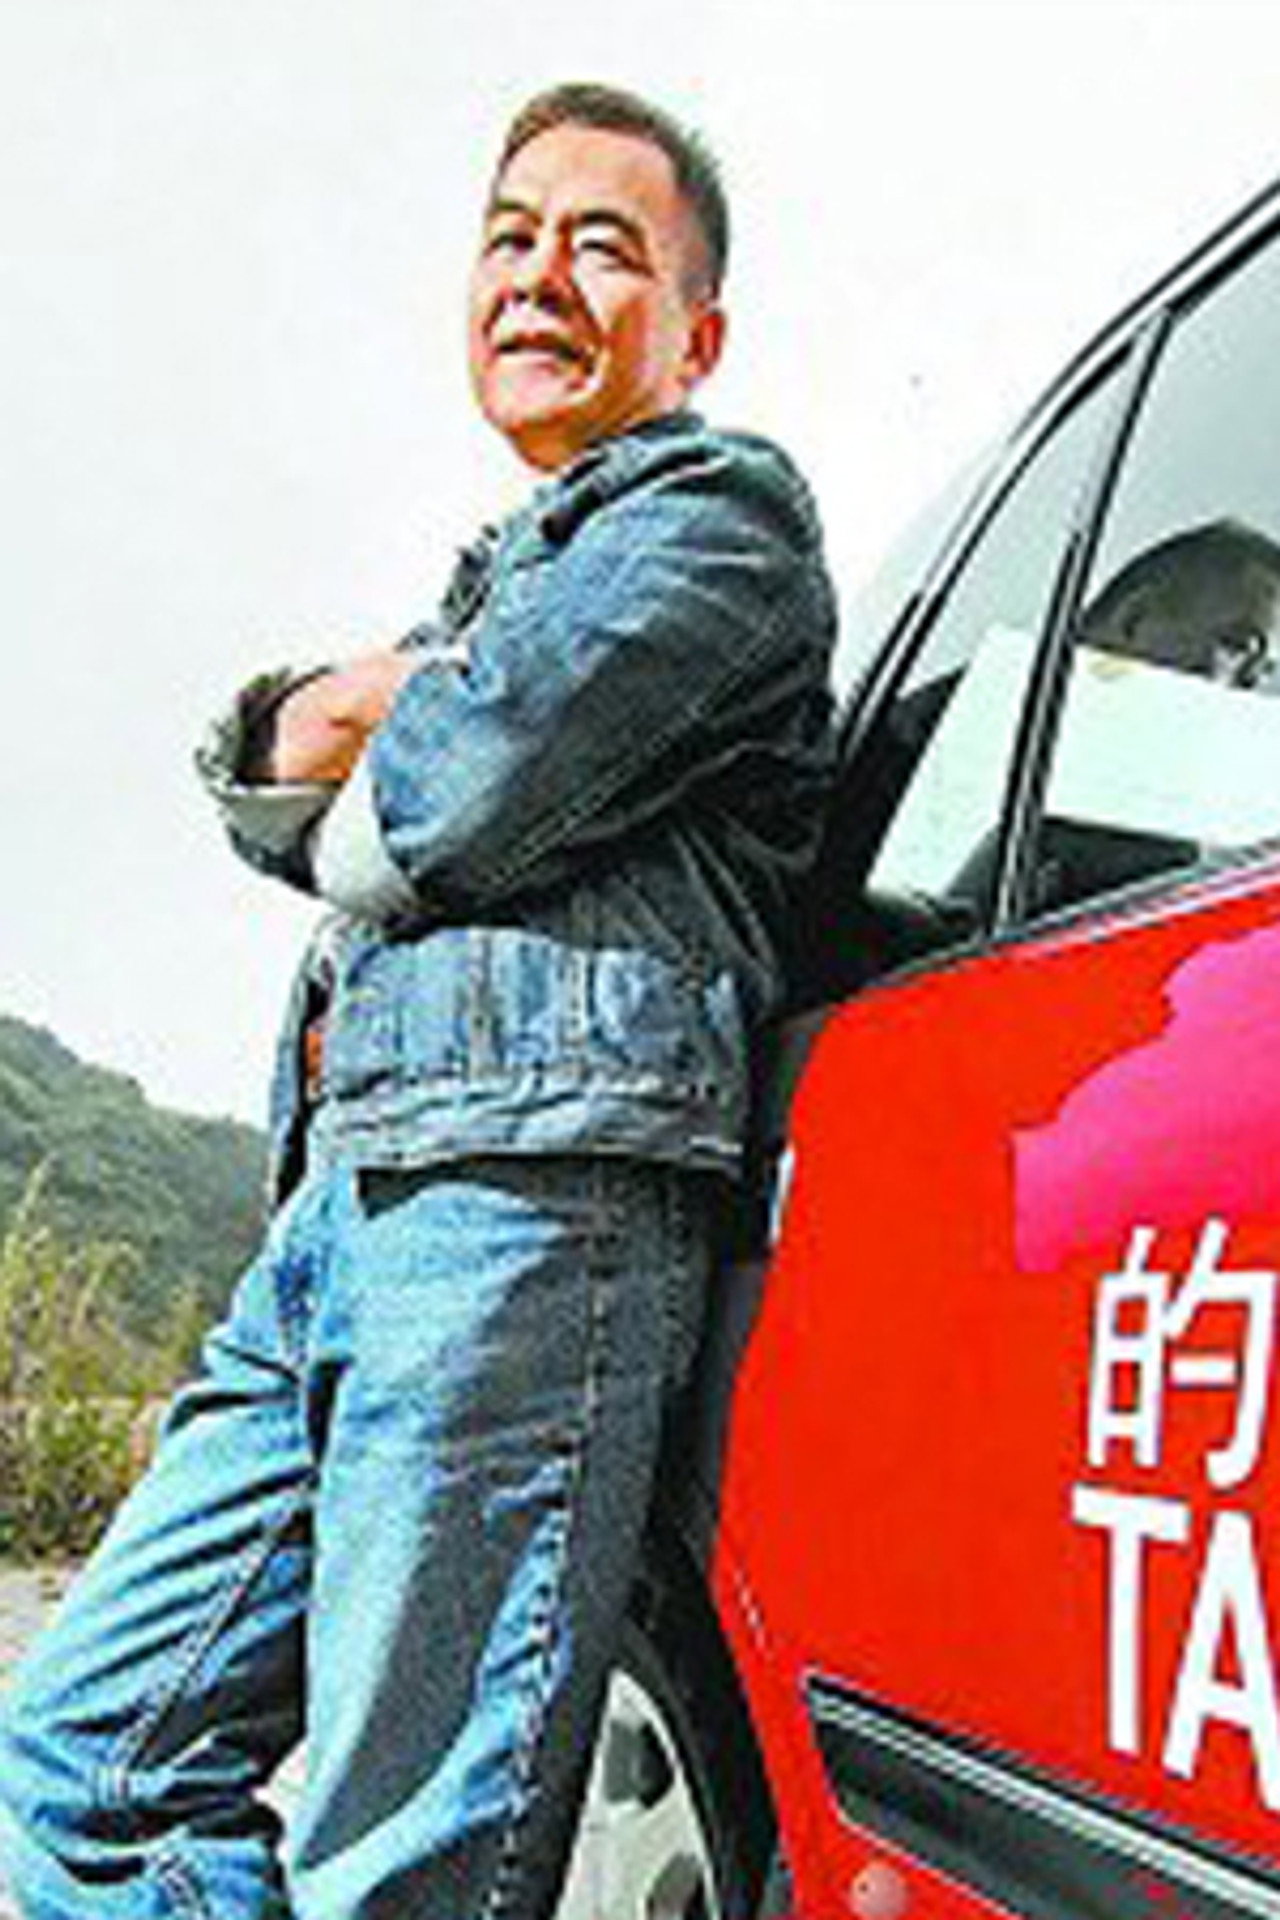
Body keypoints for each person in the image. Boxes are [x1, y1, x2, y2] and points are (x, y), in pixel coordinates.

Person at [0, 81, 836, 1920]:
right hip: (334, 1217)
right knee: (75, 1768)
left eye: (604, 248)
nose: (540, 275)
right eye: (510, 237)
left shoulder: (723, 519)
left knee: (401, 1867)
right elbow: (267, 770)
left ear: (697, 335)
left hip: (520, 1207)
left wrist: (381, 711)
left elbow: (453, 798)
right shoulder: (505, 583)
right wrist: (381, 697)